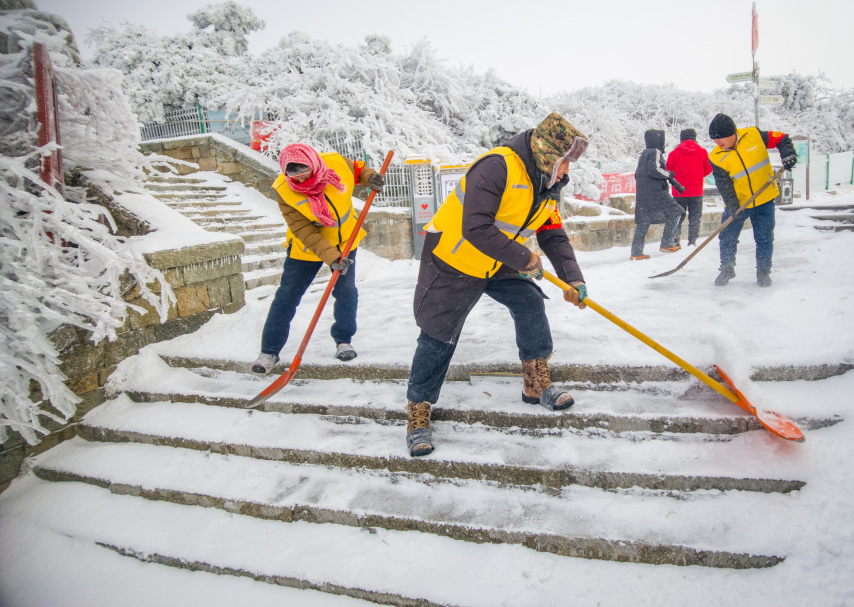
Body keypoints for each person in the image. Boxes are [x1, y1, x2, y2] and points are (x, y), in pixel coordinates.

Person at [404, 113, 590, 457]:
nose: (566, 172)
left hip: (498, 257)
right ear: (548, 154)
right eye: (564, 163)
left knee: (529, 301)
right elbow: (475, 227)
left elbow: (553, 234)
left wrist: (572, 277)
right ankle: (419, 409)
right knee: (439, 331)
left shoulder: (547, 184)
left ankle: (535, 383)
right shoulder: (497, 166)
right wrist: (524, 258)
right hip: (455, 257)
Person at [251, 143, 385, 374]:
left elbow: (358, 169)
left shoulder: (336, 162)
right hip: (307, 248)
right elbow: (303, 230)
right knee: (287, 297)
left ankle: (343, 340)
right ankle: (269, 351)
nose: (302, 182)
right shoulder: (283, 189)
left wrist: (369, 176)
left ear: (314, 165)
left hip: (345, 241)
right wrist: (331, 257)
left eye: (305, 175)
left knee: (346, 291)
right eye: (296, 179)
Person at [707, 113, 796, 287]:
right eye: (713, 139)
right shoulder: (716, 157)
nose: (717, 142)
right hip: (738, 203)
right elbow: (724, 185)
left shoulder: (754, 135)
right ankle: (727, 269)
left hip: (764, 200)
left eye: (720, 137)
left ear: (732, 133)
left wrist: (788, 154)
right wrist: (733, 206)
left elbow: (782, 139)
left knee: (764, 239)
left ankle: (763, 272)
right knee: (727, 238)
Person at [630, 129, 684, 260]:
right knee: (676, 212)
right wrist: (669, 174)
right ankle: (667, 243)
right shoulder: (655, 151)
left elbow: (637, 174)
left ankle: (636, 252)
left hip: (643, 192)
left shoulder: (644, 153)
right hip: (656, 192)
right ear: (659, 140)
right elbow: (654, 170)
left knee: (643, 221)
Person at [665, 128, 712, 247]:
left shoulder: (673, 153)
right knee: (695, 218)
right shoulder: (702, 152)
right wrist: (697, 176)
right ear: (694, 138)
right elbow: (708, 168)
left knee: (678, 217)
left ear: (681, 139)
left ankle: (676, 240)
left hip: (679, 191)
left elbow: (668, 170)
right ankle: (692, 241)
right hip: (696, 191)